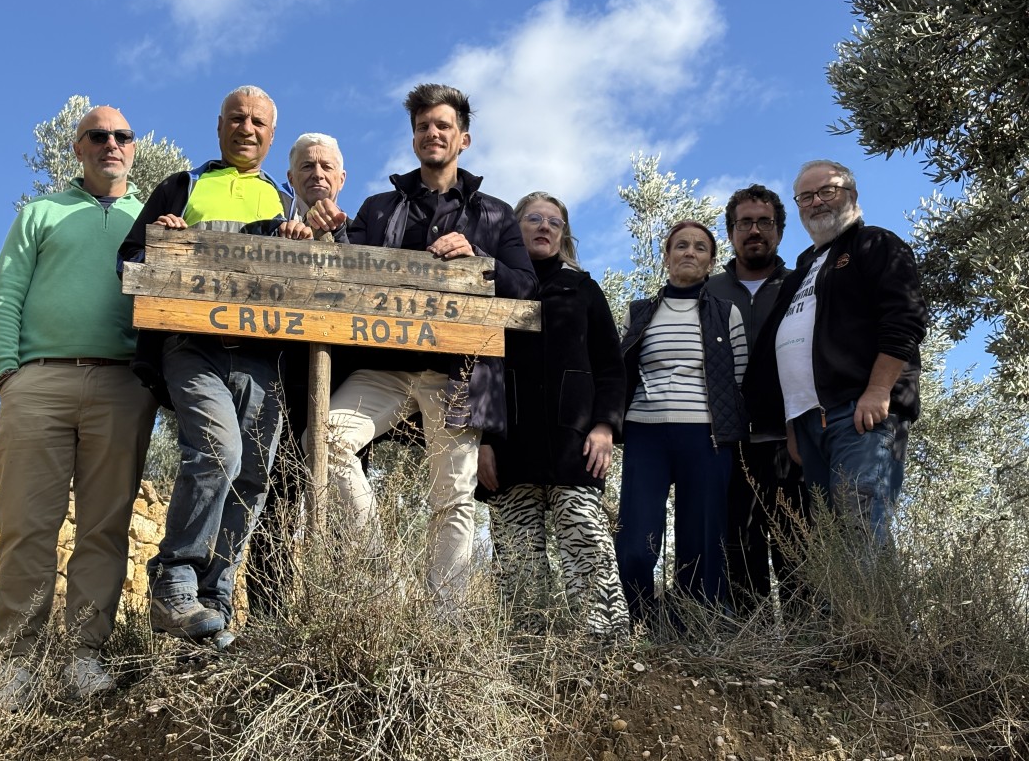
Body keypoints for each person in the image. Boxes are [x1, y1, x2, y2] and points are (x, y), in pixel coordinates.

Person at [303, 83, 537, 611]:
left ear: (464, 139)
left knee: (453, 497)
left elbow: (525, 289)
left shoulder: (496, 216)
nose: (432, 133)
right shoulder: (379, 207)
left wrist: (478, 257)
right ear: (413, 137)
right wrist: (327, 232)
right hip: (384, 365)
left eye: (443, 126)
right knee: (326, 437)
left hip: (460, 374)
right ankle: (381, 576)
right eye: (423, 126)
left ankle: (444, 622)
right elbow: (345, 274)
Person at [118, 86, 318, 641]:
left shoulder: (283, 201)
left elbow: (308, 285)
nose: (246, 128)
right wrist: (163, 241)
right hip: (193, 346)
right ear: (219, 126)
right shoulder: (183, 185)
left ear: (271, 136)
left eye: (258, 122)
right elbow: (130, 261)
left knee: (252, 477)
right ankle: (174, 583)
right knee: (217, 450)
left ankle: (214, 603)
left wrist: (297, 242)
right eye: (237, 118)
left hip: (262, 357)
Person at [0, 106, 158, 708]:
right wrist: (8, 371)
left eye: (122, 136)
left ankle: (85, 655)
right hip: (39, 382)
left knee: (105, 528)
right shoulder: (41, 212)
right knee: (27, 525)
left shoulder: (155, 220)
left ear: (134, 149)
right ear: (78, 148)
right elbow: (5, 290)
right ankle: (14, 664)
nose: (111, 144)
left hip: (123, 387)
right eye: (98, 136)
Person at [744, 160, 927, 551]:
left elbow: (905, 317)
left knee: (863, 534)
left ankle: (878, 616)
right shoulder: (800, 272)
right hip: (809, 426)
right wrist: (793, 423)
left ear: (852, 195)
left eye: (828, 191)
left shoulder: (874, 243)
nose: (817, 202)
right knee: (830, 550)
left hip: (859, 414)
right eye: (806, 196)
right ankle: (846, 617)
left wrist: (878, 390)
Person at [475, 191, 628, 638]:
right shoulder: (492, 287)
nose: (545, 227)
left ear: (564, 236)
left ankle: (607, 646)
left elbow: (610, 366)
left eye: (555, 223)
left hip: (575, 445)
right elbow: (481, 368)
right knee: (518, 561)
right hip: (510, 450)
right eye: (534, 218)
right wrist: (484, 440)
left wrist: (604, 428)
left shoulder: (582, 288)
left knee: (588, 546)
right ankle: (525, 650)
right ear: (515, 227)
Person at [615, 221, 749, 628]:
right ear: (667, 256)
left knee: (703, 542)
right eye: (681, 246)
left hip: (706, 436)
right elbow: (622, 369)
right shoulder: (638, 312)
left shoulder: (728, 314)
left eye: (700, 248)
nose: (690, 252)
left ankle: (695, 625)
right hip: (644, 432)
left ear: (711, 261)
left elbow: (736, 376)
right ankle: (638, 620)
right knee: (635, 540)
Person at [245, 132, 349, 616]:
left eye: (327, 167)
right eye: (307, 167)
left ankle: (342, 617)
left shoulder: (359, 231)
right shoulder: (268, 229)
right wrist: (283, 241)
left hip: (341, 395)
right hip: (277, 391)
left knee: (342, 500)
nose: (318, 175)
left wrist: (335, 238)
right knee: (274, 505)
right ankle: (270, 624)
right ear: (290, 179)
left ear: (342, 178)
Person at [704, 185, 808, 614]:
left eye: (764, 222)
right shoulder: (708, 292)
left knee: (799, 552)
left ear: (779, 232)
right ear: (730, 232)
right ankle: (754, 660)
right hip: (727, 445)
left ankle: (809, 656)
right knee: (739, 554)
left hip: (792, 440)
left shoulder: (801, 286)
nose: (755, 230)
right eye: (744, 222)